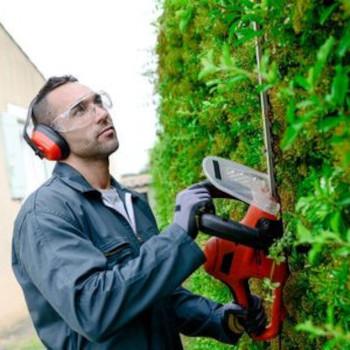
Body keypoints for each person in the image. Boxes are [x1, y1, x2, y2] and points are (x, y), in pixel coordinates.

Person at [12, 75, 267, 349]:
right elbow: (94, 308)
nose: (101, 114)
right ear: (50, 140)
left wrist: (225, 318)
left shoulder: (131, 202)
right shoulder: (45, 214)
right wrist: (177, 237)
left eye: (98, 102)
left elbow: (155, 295)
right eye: (80, 110)